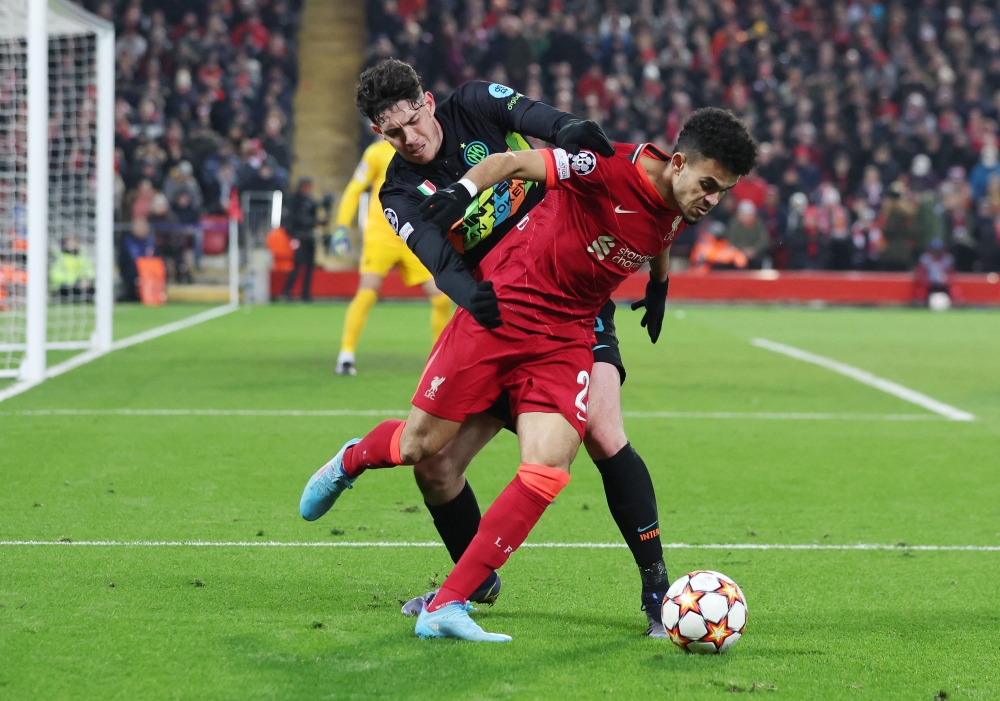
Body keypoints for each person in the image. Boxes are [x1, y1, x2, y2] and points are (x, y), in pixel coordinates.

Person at [300, 107, 757, 641]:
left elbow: (661, 230)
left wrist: (659, 285)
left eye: (722, 191)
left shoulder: (684, 199)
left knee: (561, 460)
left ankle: (452, 603)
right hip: (504, 307)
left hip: (570, 331)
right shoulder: (603, 167)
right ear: (678, 163)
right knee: (424, 453)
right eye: (708, 185)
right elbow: (510, 162)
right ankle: (355, 459)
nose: (712, 200)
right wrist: (461, 192)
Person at [337, 59, 674, 636]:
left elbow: (539, 120)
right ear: (378, 134)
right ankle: (473, 583)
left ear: (427, 99)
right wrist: (471, 296)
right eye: (393, 134)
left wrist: (568, 132)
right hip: (497, 315)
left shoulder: (472, 103)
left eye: (413, 120)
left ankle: (657, 591)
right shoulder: (397, 189)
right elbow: (439, 262)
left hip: (571, 297)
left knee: (602, 430)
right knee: (435, 465)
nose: (410, 138)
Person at [333, 139, 452, 376]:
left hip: (414, 235)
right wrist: (341, 226)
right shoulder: (376, 153)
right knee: (368, 289)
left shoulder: (426, 150)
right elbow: (355, 188)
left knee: (441, 297)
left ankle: (438, 361)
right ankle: (346, 355)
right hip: (381, 235)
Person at [280, 177, 326, 301]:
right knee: (297, 266)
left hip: (309, 237)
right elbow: (292, 220)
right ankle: (286, 292)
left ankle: (305, 295)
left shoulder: (311, 201)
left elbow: (315, 219)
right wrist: (293, 237)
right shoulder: (293, 200)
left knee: (309, 267)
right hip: (298, 237)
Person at [49, 236, 95, 302]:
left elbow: (90, 271)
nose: (72, 245)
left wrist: (86, 279)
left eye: (74, 242)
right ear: (65, 244)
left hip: (81, 286)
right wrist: (75, 281)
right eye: (69, 243)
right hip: (64, 286)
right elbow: (54, 276)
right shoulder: (59, 257)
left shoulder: (82, 256)